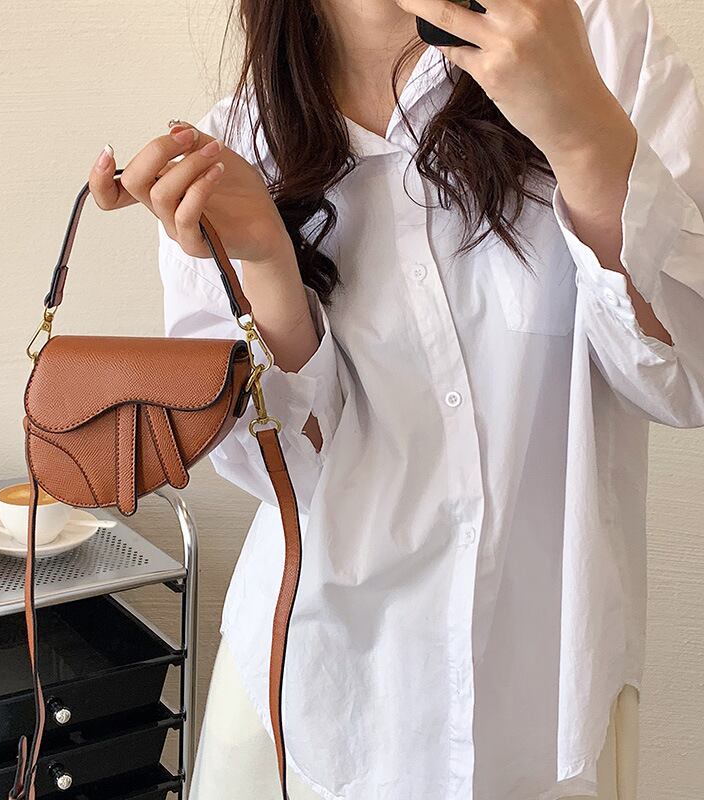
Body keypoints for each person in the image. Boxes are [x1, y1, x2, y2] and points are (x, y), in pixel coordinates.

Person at [88, 0, 704, 798]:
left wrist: (584, 136)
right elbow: (281, 480)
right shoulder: (233, 147)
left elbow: (684, 377)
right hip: (317, 709)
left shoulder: (591, 34)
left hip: (546, 709)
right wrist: (269, 266)